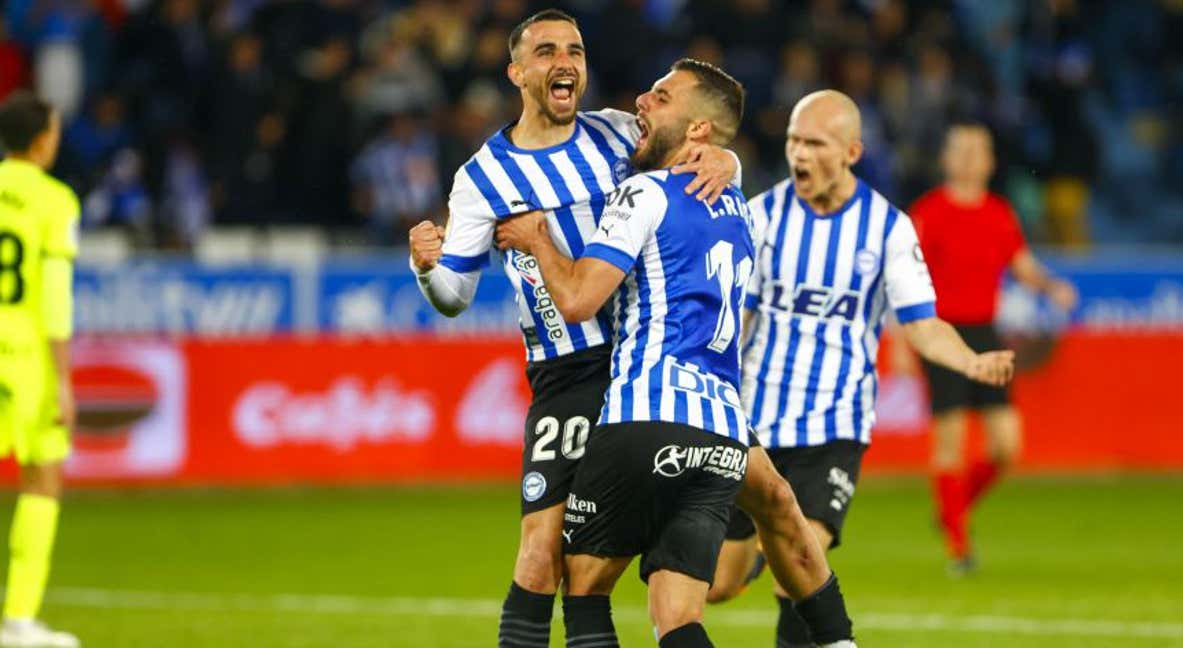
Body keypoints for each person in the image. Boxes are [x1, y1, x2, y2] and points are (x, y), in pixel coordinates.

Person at [406, 10, 741, 647]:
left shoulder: (617, 135)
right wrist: (425, 266)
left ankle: (821, 617)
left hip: (647, 364)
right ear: (517, 72)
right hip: (568, 374)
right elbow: (453, 294)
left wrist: (725, 157)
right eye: (547, 51)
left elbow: (695, 151)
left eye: (576, 51)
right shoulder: (482, 179)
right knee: (544, 555)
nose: (565, 61)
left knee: (610, 571)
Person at [495, 58, 852, 648]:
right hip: (721, 438)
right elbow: (727, 173)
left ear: (696, 131)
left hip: (645, 415)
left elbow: (580, 299)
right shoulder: (738, 209)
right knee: (679, 613)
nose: (643, 99)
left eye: (661, 97)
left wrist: (537, 240)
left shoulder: (642, 193)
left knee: (584, 586)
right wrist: (731, 160)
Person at [705, 91, 1016, 646]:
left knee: (802, 561)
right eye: (794, 141)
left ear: (850, 150)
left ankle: (775, 557)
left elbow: (921, 322)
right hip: (754, 427)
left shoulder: (887, 228)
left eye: (815, 143)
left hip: (834, 427)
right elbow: (736, 317)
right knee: (719, 585)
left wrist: (970, 360)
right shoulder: (759, 217)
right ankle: (753, 555)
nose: (800, 153)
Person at [907, 123, 1077, 573]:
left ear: (990, 162)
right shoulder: (929, 212)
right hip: (942, 334)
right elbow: (905, 281)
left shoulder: (999, 213)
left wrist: (1051, 286)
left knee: (1006, 446)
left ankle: (952, 508)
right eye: (959, 150)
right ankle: (959, 548)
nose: (967, 158)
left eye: (976, 150)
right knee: (951, 443)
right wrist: (906, 342)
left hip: (986, 333)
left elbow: (1021, 265)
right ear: (945, 159)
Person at [0, 91, 81, 648]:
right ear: (42, 139)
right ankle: (18, 621)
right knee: (42, 478)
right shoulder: (56, 202)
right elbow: (54, 298)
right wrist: (65, 378)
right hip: (25, 358)